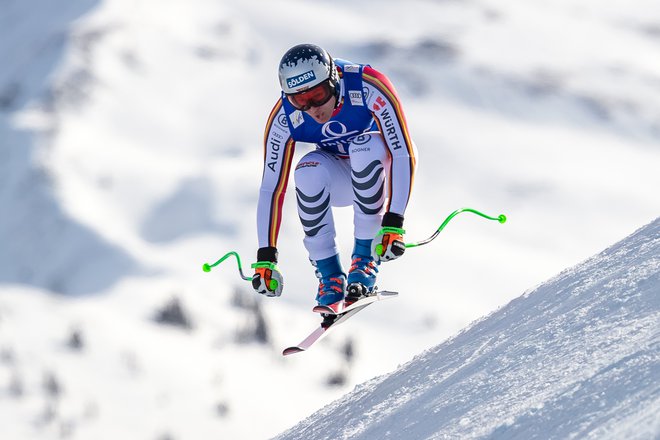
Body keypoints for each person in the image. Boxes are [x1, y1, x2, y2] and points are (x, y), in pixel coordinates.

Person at [251, 43, 417, 318]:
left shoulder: (367, 86)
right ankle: (330, 278)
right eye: (300, 101)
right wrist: (266, 258)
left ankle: (365, 260)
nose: (312, 109)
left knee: (364, 146)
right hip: (342, 178)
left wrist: (394, 222)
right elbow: (271, 188)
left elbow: (403, 153)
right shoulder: (285, 118)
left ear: (334, 80)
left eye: (317, 95)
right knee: (307, 169)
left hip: (385, 168)